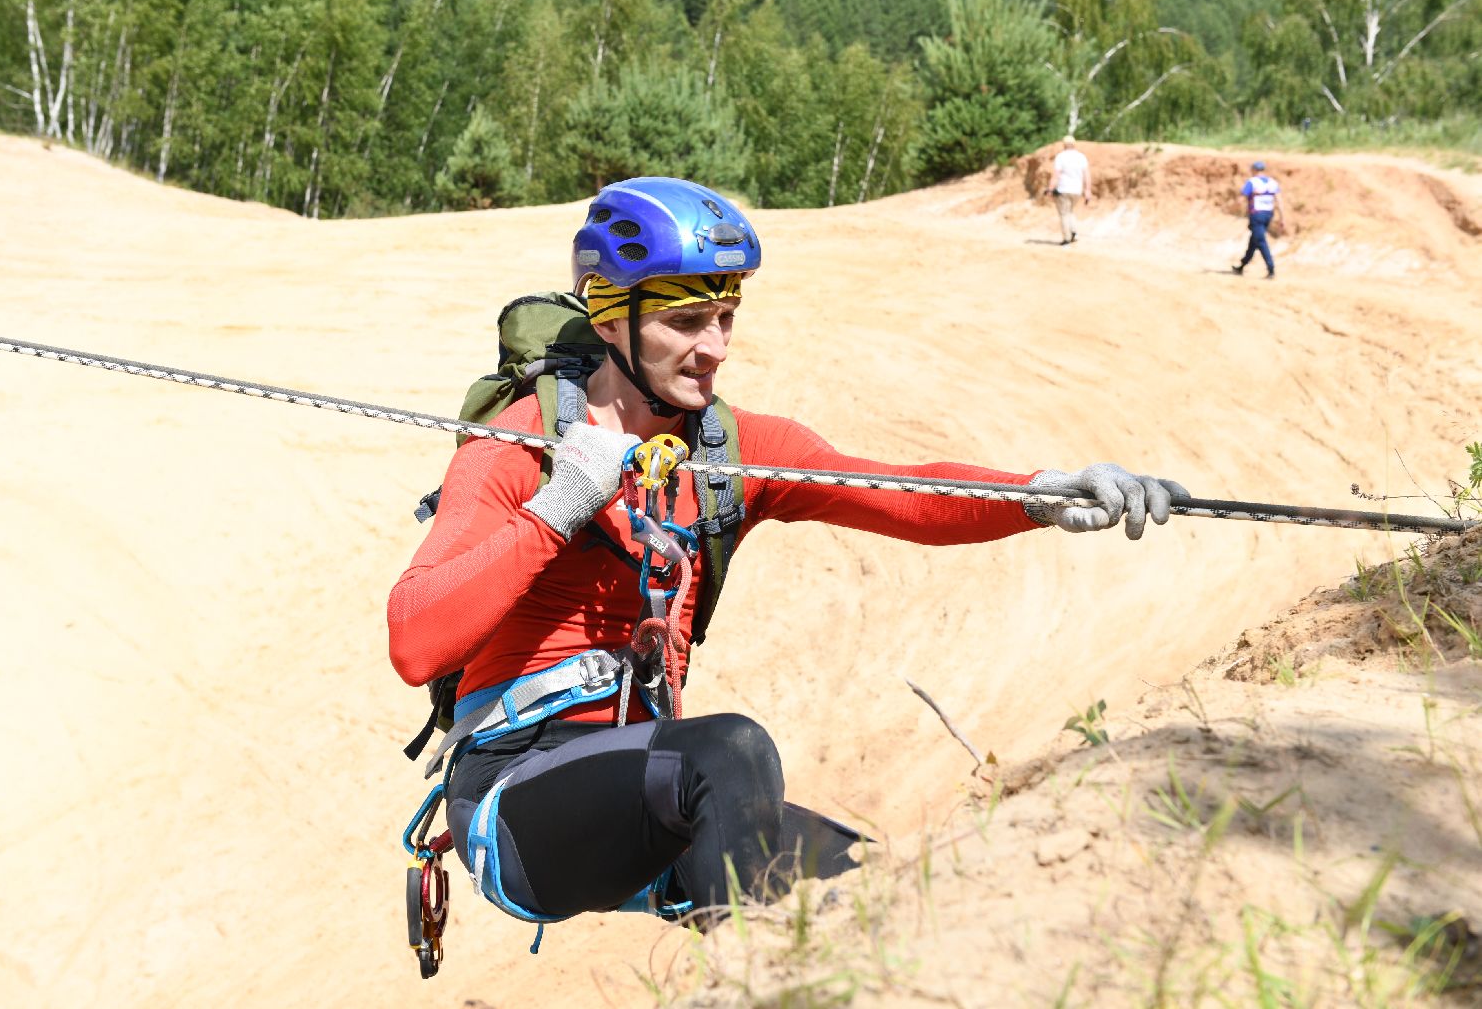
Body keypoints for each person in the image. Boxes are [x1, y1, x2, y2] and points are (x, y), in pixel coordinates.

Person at [387, 176, 1187, 929]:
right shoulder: (518, 446)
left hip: (649, 790)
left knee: (869, 892)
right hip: (515, 800)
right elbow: (416, 640)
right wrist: (559, 507)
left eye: (726, 316)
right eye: (687, 321)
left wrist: (1042, 495)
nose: (716, 347)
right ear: (609, 318)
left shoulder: (727, 449)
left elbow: (891, 490)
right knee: (729, 752)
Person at [1233, 160, 1285, 279]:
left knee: (1260, 241)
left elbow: (1241, 198)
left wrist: (1235, 210)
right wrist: (1282, 218)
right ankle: (1242, 265)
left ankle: (1271, 268)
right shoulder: (1272, 182)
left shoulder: (1252, 182)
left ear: (1254, 170)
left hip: (1257, 215)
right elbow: (1280, 202)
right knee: (1254, 240)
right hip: (1268, 215)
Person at [1049, 135, 1091, 245]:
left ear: (1064, 145)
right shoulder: (1081, 157)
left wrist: (1050, 189)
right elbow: (1086, 175)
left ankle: (1066, 238)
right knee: (1070, 211)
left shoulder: (1061, 157)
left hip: (1063, 189)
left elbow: (1056, 175)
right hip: (1077, 190)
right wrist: (1087, 190)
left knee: (1064, 214)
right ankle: (1074, 232)